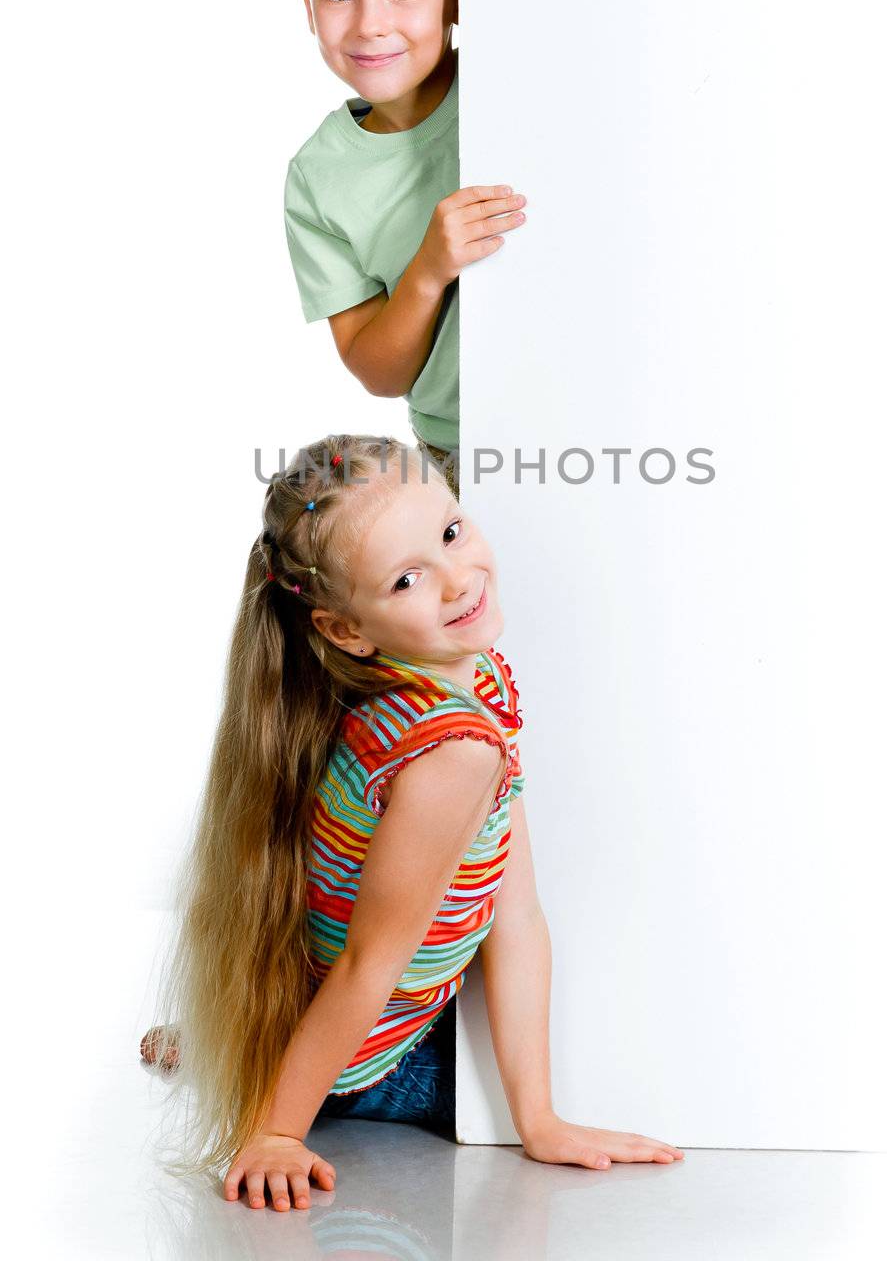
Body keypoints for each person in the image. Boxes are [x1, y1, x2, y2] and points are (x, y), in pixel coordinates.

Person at [144, 434, 683, 1212]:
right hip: (377, 1063)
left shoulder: (462, 678)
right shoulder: (450, 752)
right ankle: (261, 1071)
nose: (460, 579)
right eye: (406, 578)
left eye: (452, 533)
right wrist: (277, 1134)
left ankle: (224, 1048)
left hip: (327, 997)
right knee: (646, 1056)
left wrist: (540, 1121)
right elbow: (371, 965)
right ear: (343, 629)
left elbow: (514, 909)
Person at [283, 0, 529, 491]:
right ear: (308, 6)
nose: (372, 25)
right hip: (456, 447)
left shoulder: (507, 76)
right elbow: (378, 373)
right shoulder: (316, 178)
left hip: (573, 398)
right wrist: (427, 268)